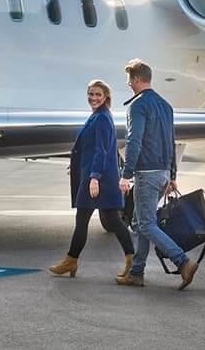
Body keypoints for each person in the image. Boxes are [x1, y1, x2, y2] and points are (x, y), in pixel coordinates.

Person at [115, 59, 199, 290]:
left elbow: (134, 141)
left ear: (136, 79)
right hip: (162, 171)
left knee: (146, 223)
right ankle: (137, 273)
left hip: (147, 172)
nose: (128, 84)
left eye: (129, 80)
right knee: (140, 222)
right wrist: (172, 173)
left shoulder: (138, 105)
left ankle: (182, 261)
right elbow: (171, 142)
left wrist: (126, 173)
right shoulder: (165, 105)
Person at [49, 80, 135, 279]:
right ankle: (72, 260)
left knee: (101, 220)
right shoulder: (98, 115)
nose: (93, 98)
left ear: (106, 97)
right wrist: (79, 164)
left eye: (98, 94)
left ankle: (73, 260)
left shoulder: (103, 118)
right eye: (90, 94)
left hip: (99, 179)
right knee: (105, 220)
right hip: (97, 175)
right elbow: (91, 147)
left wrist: (94, 178)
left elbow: (102, 150)